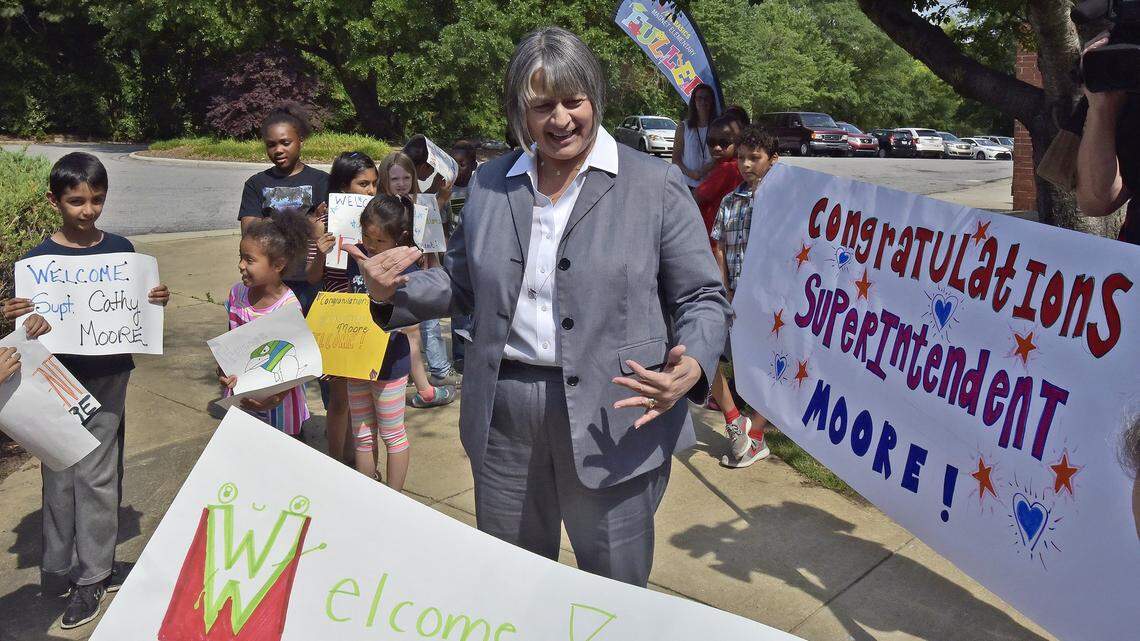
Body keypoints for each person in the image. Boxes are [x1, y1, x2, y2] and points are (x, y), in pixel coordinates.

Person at [349, 26, 730, 586]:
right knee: (514, 584)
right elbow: (459, 282)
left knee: (614, 592)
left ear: (595, 98)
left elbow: (702, 295)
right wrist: (391, 294)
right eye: (542, 105)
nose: (560, 120)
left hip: (616, 413)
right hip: (504, 413)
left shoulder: (654, 184)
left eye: (573, 101)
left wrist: (692, 363)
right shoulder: (490, 185)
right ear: (520, 112)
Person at [1, 152, 170, 629]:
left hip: (110, 372)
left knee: (95, 474)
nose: (88, 210)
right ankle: (61, 568)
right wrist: (23, 319)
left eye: (97, 200)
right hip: (56, 379)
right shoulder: (36, 262)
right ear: (54, 200)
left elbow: (139, 305)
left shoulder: (121, 249)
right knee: (58, 469)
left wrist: (156, 298)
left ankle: (91, 574)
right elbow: (29, 332)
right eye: (77, 201)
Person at [710, 125, 781, 468]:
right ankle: (734, 419)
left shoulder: (784, 204)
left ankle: (756, 435)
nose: (746, 164)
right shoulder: (730, 201)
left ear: (773, 160)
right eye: (741, 158)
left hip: (771, 301)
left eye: (755, 158)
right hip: (734, 296)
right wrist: (724, 290)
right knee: (705, 354)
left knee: (771, 366)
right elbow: (720, 248)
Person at [343, 195, 418, 489]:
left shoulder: (406, 267)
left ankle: (394, 497)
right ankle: (367, 494)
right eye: (366, 237)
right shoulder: (356, 256)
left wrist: (364, 262)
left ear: (399, 239)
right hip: (356, 360)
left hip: (390, 364)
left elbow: (411, 320)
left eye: (379, 241)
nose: (371, 245)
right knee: (362, 433)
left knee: (392, 433)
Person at [217, 213, 313, 437]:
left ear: (278, 265)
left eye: (249, 260)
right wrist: (222, 370)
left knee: (278, 461)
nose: (241, 265)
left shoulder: (288, 307)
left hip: (280, 406)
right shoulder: (236, 293)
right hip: (241, 398)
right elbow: (230, 346)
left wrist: (274, 398)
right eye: (240, 257)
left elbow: (295, 363)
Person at [379, 152, 462, 399]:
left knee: (428, 325)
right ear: (385, 179)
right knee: (403, 331)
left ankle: (435, 372)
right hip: (393, 277)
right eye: (395, 178)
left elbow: (432, 239)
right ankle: (410, 380)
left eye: (406, 177)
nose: (401, 183)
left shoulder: (421, 204)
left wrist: (435, 268)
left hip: (421, 274)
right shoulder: (381, 208)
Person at [314, 151, 379, 462]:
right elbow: (314, 276)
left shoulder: (378, 221)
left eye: (374, 184)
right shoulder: (323, 222)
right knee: (339, 398)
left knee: (364, 397)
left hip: (367, 312)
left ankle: (360, 459)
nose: (370, 191)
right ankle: (335, 459)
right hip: (338, 312)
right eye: (362, 184)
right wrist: (320, 250)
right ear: (342, 186)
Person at [236, 104, 330, 314]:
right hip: (269, 283)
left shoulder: (322, 181)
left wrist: (270, 222)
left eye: (285, 143)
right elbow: (250, 231)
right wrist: (306, 223)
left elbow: (326, 231)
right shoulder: (256, 184)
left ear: (300, 141)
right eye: (271, 145)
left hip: (310, 280)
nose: (278, 150)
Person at [448, 141, 479, 371]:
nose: (458, 169)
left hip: (477, 256)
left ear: (473, 163)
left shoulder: (482, 186)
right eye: (454, 164)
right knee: (457, 309)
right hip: (456, 257)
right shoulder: (445, 190)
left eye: (463, 164)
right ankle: (460, 355)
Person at [694, 115, 744, 246]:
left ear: (738, 145)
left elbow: (695, 198)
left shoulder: (726, 169)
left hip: (712, 242)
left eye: (724, 143)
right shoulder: (739, 166)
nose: (716, 148)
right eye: (711, 142)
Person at [671, 83, 719, 190]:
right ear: (694, 101)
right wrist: (691, 174)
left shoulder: (718, 127)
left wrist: (703, 171)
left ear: (712, 101)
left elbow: (721, 156)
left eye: (706, 98)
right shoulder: (683, 127)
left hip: (711, 186)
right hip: (686, 185)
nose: (703, 101)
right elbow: (676, 159)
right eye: (699, 98)